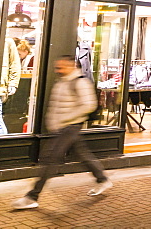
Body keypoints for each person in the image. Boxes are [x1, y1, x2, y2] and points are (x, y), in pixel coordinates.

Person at [12, 55, 111, 210]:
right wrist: (53, 121)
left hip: (71, 126)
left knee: (51, 159)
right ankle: (102, 179)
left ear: (71, 66)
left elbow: (89, 105)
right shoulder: (61, 82)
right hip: (64, 127)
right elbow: (55, 105)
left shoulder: (81, 82)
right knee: (82, 155)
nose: (58, 70)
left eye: (61, 67)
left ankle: (32, 196)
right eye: (57, 67)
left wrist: (65, 119)